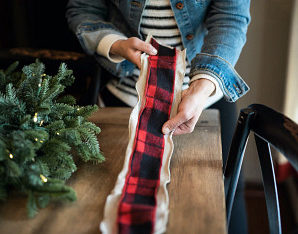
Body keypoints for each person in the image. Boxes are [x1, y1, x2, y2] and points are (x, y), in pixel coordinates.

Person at [67, 1, 250, 233]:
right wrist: (116, 44)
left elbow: (231, 18)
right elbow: (83, 10)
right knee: (101, 192)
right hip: (121, 101)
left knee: (226, 194)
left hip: (206, 102)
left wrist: (204, 85)